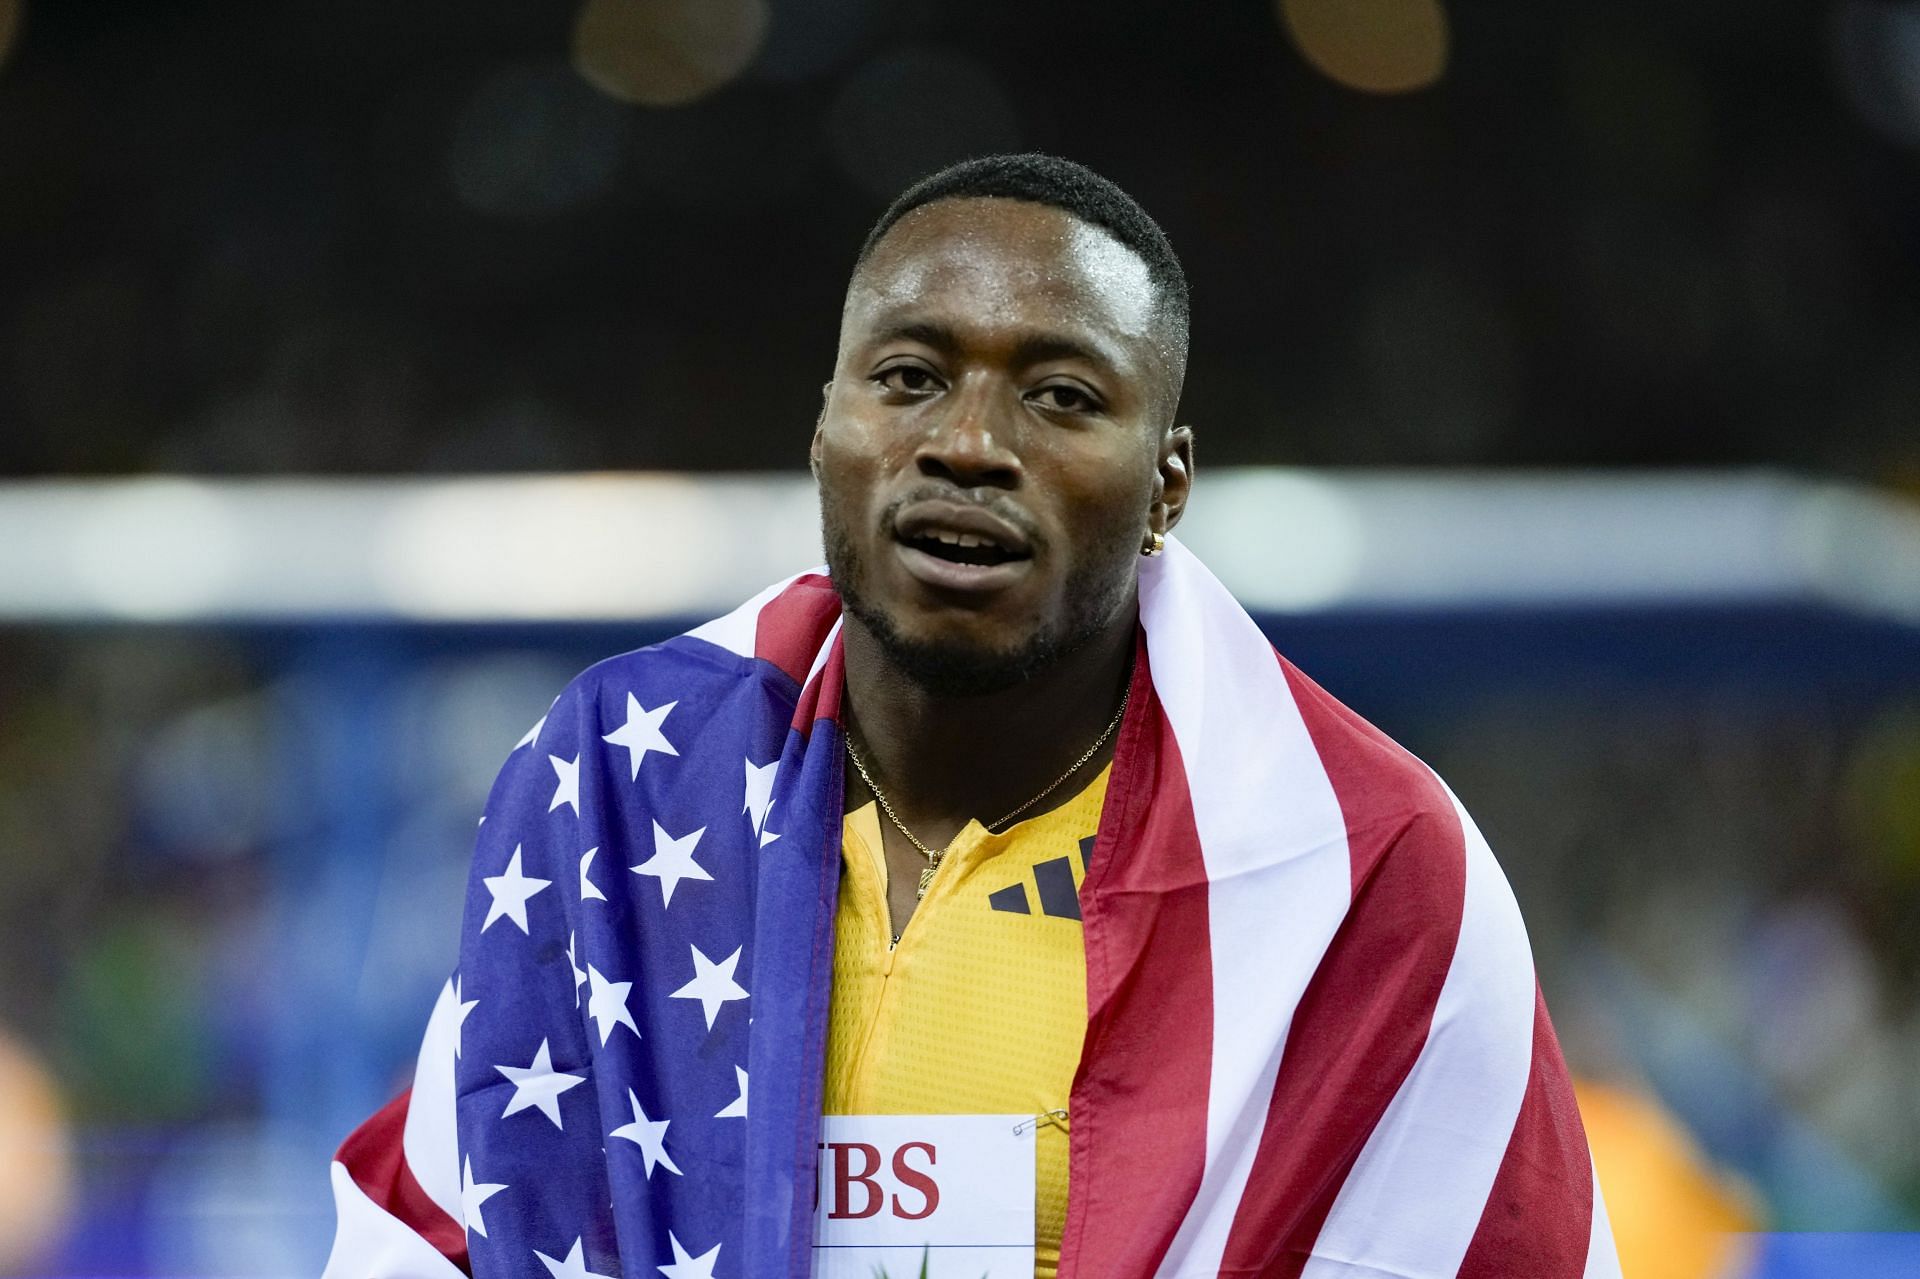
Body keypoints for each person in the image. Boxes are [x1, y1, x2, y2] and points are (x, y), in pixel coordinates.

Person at [325, 154, 1621, 1279]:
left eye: (1060, 395)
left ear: (1168, 485)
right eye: (907, 377)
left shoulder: (1363, 872)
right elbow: (441, 1226)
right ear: (823, 429)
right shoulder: (620, 807)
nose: (968, 443)